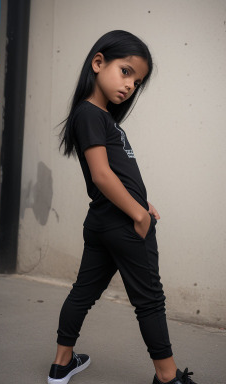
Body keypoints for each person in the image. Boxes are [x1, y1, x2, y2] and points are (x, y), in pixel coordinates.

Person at [47, 30, 197, 384]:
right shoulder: (90, 114)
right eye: (126, 71)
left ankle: (61, 364)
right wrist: (138, 214)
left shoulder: (101, 117)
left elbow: (117, 170)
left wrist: (141, 200)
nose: (130, 85)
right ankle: (168, 377)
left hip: (103, 222)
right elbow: (100, 175)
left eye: (137, 81)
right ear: (98, 63)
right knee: (150, 302)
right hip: (123, 225)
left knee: (83, 293)